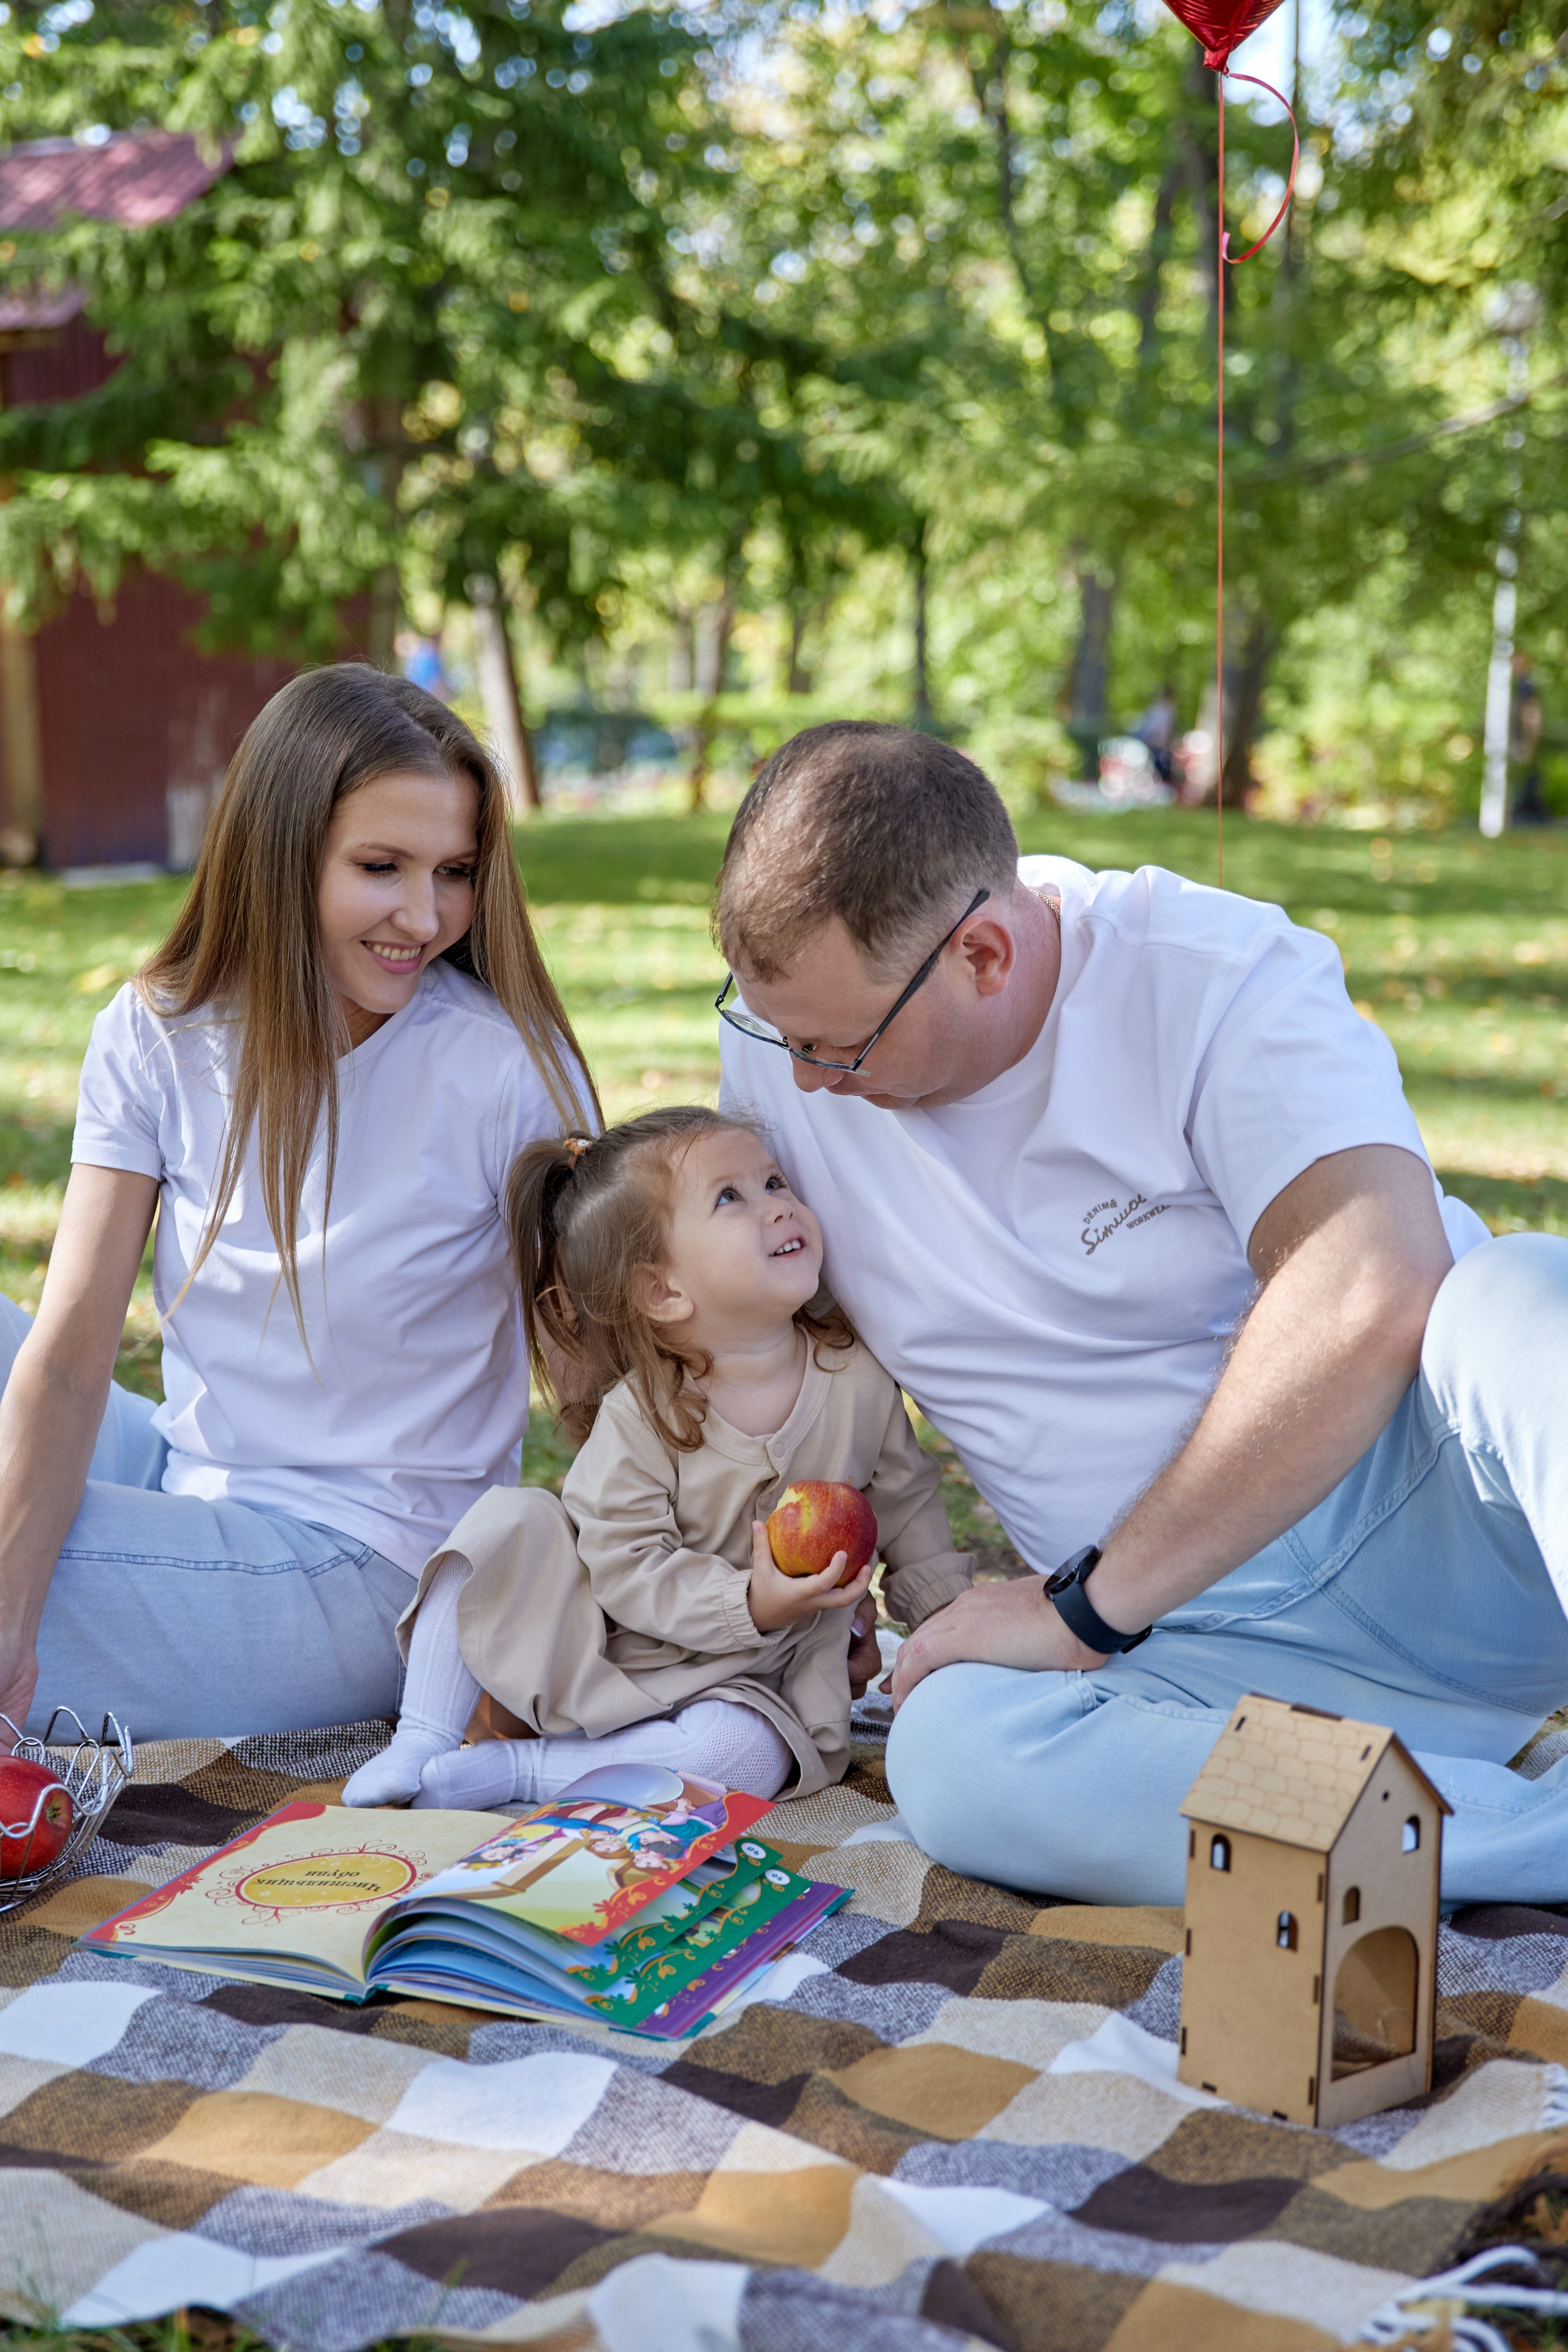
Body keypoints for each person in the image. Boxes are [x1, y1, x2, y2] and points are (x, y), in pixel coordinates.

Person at [713, 720, 1568, 1907]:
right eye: (779, 1035)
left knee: (1526, 1294)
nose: (806, 1081)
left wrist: (1087, 1607)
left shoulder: (1211, 971)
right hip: (1190, 1670)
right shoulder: (784, 1049)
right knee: (953, 1756)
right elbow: (762, 1332)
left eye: (840, 1048)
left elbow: (1371, 1280)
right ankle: (1513, 1835)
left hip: (1451, 1543)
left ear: (982, 956)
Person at [0, 666, 595, 1740]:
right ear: (281, 852)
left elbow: (604, 1375)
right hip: (190, 1476)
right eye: (381, 867)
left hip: (375, 1570)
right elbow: (73, 1347)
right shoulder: (159, 1033)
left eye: (454, 872)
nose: (425, 916)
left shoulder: (507, 1070)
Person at [342, 1106, 971, 1811]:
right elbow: (623, 1563)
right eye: (730, 1197)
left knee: (743, 1757)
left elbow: (908, 1507)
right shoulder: (644, 1412)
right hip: (609, 1652)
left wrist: (945, 1623)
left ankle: (520, 1772)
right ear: (663, 1291)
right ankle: (422, 1738)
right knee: (500, 1526)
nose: (778, 1207)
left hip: (757, 1680)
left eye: (774, 1182)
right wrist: (746, 1601)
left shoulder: (856, 1378)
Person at [1509, 652, 1548, 827]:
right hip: (1513, 736)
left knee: (1526, 774)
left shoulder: (1526, 685)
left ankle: (1529, 813)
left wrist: (1530, 738)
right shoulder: (1511, 684)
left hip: (1522, 737)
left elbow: (1532, 713)